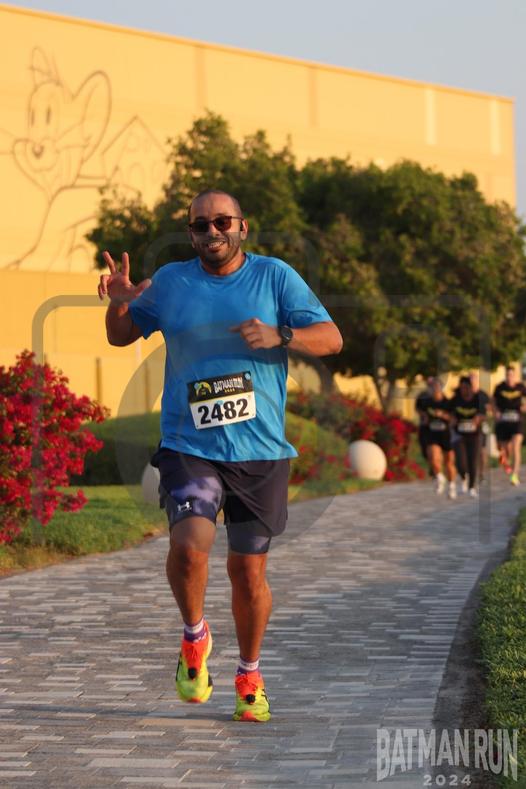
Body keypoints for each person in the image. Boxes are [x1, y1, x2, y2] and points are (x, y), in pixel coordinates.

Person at [97, 189, 343, 722]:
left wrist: (280, 334)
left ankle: (249, 674)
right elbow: (121, 336)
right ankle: (194, 637)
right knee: (190, 548)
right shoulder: (171, 282)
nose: (212, 232)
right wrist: (119, 301)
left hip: (260, 452)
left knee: (247, 573)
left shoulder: (275, 277)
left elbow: (331, 338)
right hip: (189, 445)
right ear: (190, 233)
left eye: (222, 222)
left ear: (242, 227)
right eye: (201, 225)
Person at [418, 378, 457, 499]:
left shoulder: (448, 403)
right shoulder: (427, 402)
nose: (434, 390)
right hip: (432, 434)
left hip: (446, 434)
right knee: (433, 458)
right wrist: (424, 418)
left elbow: (454, 419)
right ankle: (440, 477)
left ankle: (452, 485)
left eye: (437, 387)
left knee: (449, 463)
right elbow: (422, 413)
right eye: (432, 388)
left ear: (441, 389)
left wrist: (443, 415)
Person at [449, 376, 486, 498]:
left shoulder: (477, 399)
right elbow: (449, 414)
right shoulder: (455, 400)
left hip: (474, 435)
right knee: (461, 461)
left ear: (470, 387)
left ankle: (472, 487)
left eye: (466, 387)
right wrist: (452, 419)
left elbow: (484, 414)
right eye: (462, 388)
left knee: (473, 460)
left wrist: (478, 419)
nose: (464, 390)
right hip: (459, 435)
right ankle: (463, 476)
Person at [492, 365, 526, 486]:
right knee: (504, 452)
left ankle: (514, 475)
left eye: (511, 375)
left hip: (517, 421)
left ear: (515, 376)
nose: (509, 377)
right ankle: (507, 465)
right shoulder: (499, 388)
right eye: (507, 375)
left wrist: (524, 406)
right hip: (503, 422)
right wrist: (495, 411)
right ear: (505, 376)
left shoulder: (520, 387)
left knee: (516, 446)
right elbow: (493, 401)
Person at [468, 371, 491, 482]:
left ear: (477, 381)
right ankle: (470, 472)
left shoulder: (483, 395)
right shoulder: (465, 395)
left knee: (482, 451)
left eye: (474, 380)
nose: (472, 382)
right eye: (470, 380)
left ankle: (481, 473)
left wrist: (481, 417)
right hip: (467, 426)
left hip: (481, 426)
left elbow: (489, 410)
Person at [415, 377, 433, 475]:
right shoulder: (422, 395)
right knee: (424, 448)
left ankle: (434, 468)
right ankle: (431, 465)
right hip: (424, 425)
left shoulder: (439, 396)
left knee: (434, 448)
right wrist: (424, 415)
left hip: (435, 428)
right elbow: (417, 408)